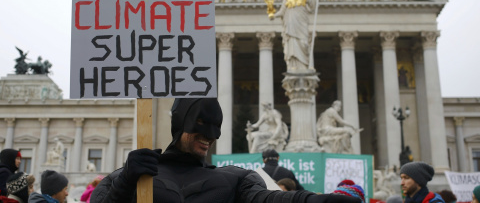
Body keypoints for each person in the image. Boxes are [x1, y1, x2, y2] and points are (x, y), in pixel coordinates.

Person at [91, 98, 361, 203]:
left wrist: (315, 201)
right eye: (199, 128)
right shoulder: (129, 178)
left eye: (214, 130)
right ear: (179, 126)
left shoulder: (235, 180)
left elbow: (268, 201)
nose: (208, 138)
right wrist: (125, 183)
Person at [270, 0, 313, 72]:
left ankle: (304, 66)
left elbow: (310, 9)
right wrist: (273, 15)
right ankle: (293, 66)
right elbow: (281, 12)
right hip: (291, 25)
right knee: (292, 44)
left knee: (304, 44)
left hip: (301, 24)